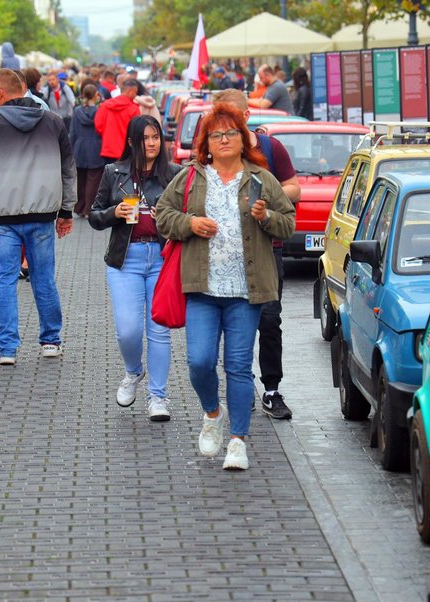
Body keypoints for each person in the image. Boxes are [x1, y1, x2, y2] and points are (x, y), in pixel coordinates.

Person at [156, 104, 295, 470]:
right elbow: (163, 214)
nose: (223, 140)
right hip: (202, 287)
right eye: (216, 135)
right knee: (199, 361)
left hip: (245, 292)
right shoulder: (191, 177)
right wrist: (190, 223)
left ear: (242, 138)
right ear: (206, 143)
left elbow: (288, 224)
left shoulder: (262, 179)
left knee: (236, 365)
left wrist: (266, 216)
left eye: (230, 133)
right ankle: (212, 413)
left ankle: (237, 441)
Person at [0, 69, 75, 365]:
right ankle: (51, 340)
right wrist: (66, 210)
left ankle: (7, 348)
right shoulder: (52, 122)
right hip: (43, 214)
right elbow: (68, 169)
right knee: (44, 278)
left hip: (2, 217)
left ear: (1, 93)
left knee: (4, 280)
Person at [213, 89, 301, 420]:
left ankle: (272, 388)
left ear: (246, 116)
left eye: (231, 118)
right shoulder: (213, 151)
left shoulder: (269, 148)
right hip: (226, 251)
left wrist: (266, 193)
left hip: (266, 248)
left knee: (269, 319)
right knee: (233, 322)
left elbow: (294, 188)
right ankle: (241, 384)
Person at [88, 115, 181, 421]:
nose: (152, 144)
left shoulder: (174, 175)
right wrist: (115, 211)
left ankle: (158, 397)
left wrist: (165, 221)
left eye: (156, 138)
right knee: (128, 330)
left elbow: (187, 218)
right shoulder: (114, 173)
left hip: (161, 259)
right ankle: (133, 372)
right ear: (132, 143)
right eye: (145, 138)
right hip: (124, 261)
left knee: (159, 331)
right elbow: (94, 216)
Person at [70, 84, 105, 218]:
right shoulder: (99, 111)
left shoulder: (77, 111)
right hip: (96, 146)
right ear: (96, 95)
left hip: (80, 146)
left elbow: (72, 132)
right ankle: (88, 207)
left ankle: (79, 206)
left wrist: (71, 149)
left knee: (81, 179)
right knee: (93, 178)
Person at [95, 78, 141, 163]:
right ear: (130, 91)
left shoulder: (105, 106)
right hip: (127, 151)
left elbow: (98, 126)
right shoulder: (134, 109)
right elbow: (137, 131)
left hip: (108, 150)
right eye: (135, 92)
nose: (136, 95)